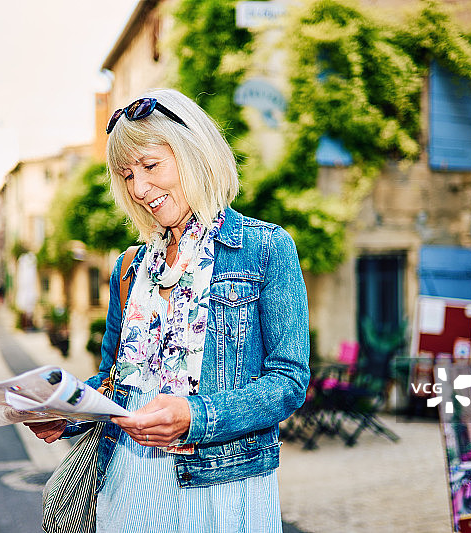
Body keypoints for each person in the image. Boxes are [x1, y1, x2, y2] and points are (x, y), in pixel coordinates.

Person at [26, 88, 310, 532]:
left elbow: (289, 381)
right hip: (128, 485)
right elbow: (114, 380)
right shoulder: (129, 267)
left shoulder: (266, 248)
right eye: (127, 177)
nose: (139, 189)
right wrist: (70, 412)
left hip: (222, 488)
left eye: (150, 166)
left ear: (193, 151)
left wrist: (196, 416)